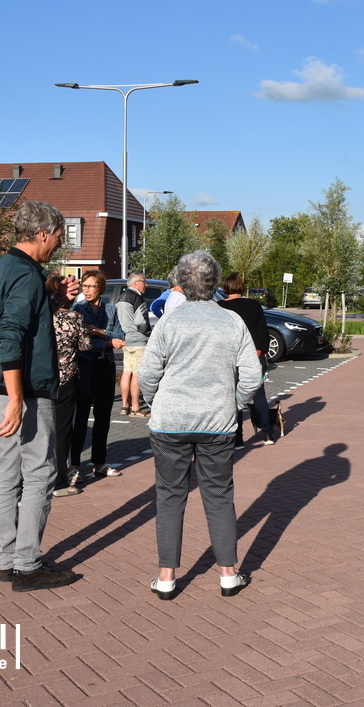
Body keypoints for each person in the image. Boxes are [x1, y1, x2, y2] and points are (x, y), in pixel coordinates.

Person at [139, 251, 261, 600]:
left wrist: (155, 403)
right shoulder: (232, 322)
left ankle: (166, 578)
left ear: (182, 281)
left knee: (169, 496)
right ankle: (227, 575)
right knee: (219, 496)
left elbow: (148, 374)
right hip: (217, 424)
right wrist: (234, 404)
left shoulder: (169, 322)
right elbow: (252, 376)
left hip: (170, 423)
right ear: (214, 283)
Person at [0, 200, 80, 592]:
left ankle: (8, 559)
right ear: (42, 234)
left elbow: (17, 321)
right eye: (57, 237)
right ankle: (28, 564)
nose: (58, 245)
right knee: (40, 473)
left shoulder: (2, 267)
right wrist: (17, 398)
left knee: (7, 473)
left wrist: (57, 301)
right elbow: (10, 335)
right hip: (25, 389)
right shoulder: (26, 275)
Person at [72, 270, 125, 479]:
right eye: (84, 286)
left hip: (106, 365)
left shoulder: (111, 310)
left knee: (103, 416)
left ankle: (99, 463)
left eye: (92, 286)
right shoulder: (78, 309)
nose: (87, 290)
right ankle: (73, 464)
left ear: (100, 288)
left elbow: (121, 336)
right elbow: (81, 341)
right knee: (81, 415)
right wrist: (108, 343)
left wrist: (101, 332)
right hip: (85, 366)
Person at [217, 273, 274, 448]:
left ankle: (238, 439)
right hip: (254, 355)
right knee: (259, 394)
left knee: (234, 397)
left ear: (225, 288)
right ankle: (267, 434)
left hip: (231, 357)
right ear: (241, 287)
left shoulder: (219, 307)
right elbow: (263, 331)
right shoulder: (254, 305)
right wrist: (264, 353)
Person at [48, 273, 90, 497]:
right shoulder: (75, 318)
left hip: (45, 378)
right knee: (63, 430)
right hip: (67, 378)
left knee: (44, 429)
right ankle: (59, 478)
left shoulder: (44, 317)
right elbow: (85, 346)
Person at [116, 272, 152, 417]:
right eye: (144, 281)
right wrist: (148, 334)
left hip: (127, 340)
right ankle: (135, 408)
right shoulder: (137, 298)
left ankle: (125, 406)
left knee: (126, 372)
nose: (146, 285)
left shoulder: (121, 297)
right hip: (138, 340)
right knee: (137, 374)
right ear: (136, 283)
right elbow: (141, 322)